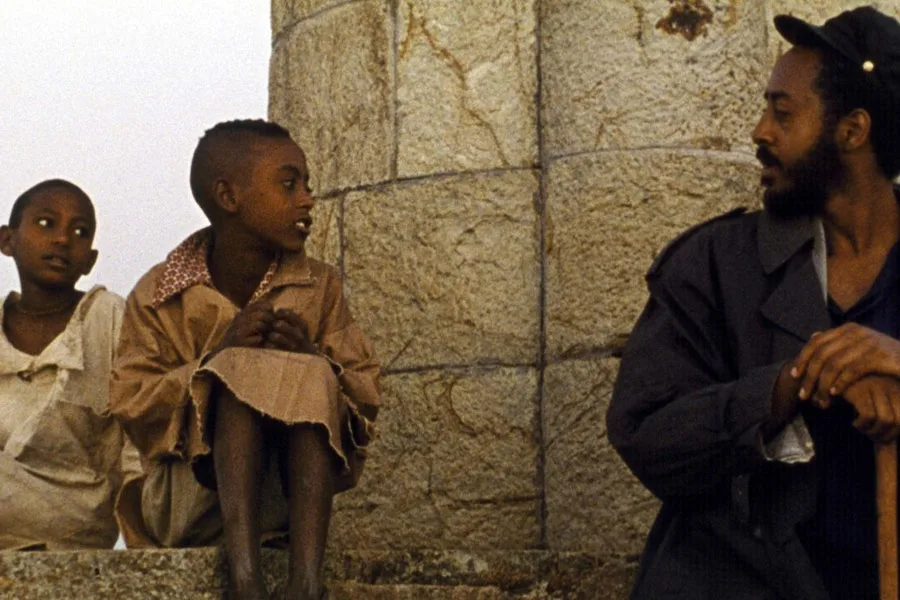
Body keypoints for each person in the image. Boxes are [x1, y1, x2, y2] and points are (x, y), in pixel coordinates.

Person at [607, 6, 900, 599]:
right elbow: (645, 435)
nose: (760, 132)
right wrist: (795, 382)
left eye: (782, 113)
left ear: (852, 131)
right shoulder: (714, 264)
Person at [110, 119, 380, 600]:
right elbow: (130, 400)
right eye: (289, 184)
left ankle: (306, 582)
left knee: (312, 371)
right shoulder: (158, 293)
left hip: (283, 500)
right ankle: (244, 581)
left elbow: (364, 391)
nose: (307, 200)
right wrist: (214, 361)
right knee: (234, 373)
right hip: (189, 498)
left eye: (307, 185)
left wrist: (314, 361)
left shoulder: (320, 285)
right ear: (228, 197)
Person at [0, 179, 138, 550]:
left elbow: (138, 427)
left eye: (80, 232)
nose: (62, 239)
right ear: (7, 241)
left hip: (75, 515)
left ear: (90, 260)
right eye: (46, 223)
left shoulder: (107, 316)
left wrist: (144, 537)